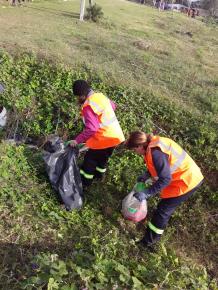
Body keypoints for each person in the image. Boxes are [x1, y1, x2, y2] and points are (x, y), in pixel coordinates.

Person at [125, 131, 204, 250]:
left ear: (139, 146)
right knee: (163, 209)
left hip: (187, 181)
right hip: (185, 177)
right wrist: (147, 174)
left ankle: (147, 244)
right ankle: (149, 241)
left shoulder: (156, 152)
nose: (135, 153)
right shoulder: (154, 144)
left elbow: (165, 178)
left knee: (163, 211)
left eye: (134, 150)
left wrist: (147, 193)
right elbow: (162, 166)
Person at [71, 80, 125, 187]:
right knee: (102, 159)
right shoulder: (100, 96)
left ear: (82, 95)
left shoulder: (88, 106)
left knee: (89, 160)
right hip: (115, 137)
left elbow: (92, 128)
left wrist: (76, 140)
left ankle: (84, 184)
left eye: (77, 97)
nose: (77, 99)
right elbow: (113, 106)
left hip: (103, 138)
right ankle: (99, 177)